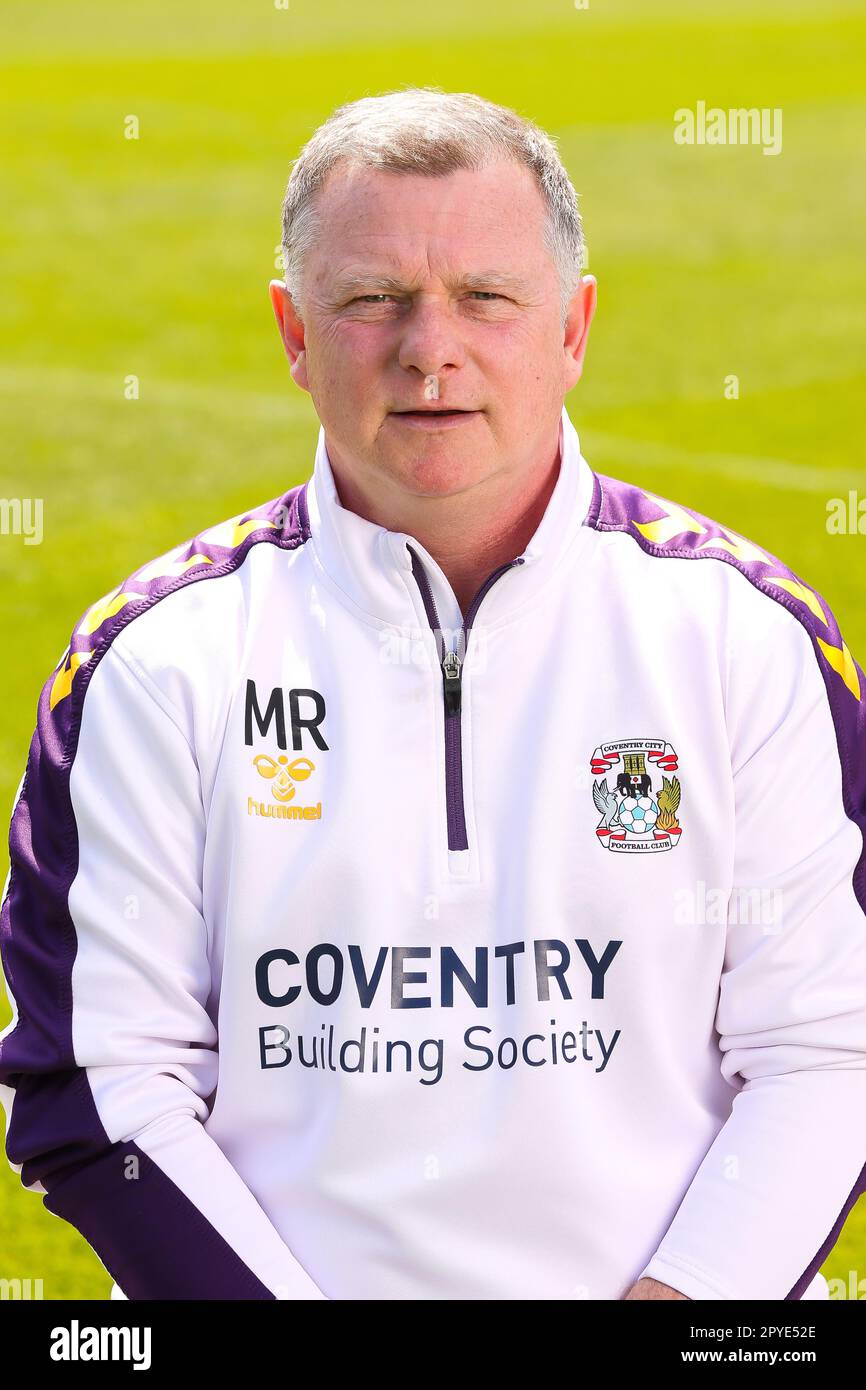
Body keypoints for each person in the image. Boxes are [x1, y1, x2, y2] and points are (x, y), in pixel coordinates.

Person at [1, 86, 865, 1302]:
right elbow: (95, 1082)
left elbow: (830, 1047)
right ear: (293, 333)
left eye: (485, 297)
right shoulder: (153, 663)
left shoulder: (741, 634)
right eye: (370, 301)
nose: (429, 349)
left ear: (572, 327)